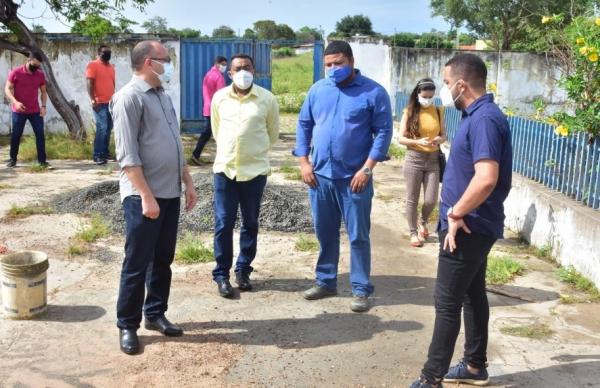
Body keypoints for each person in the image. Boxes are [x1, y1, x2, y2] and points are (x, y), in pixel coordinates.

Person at [410, 53, 512, 388]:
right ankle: (473, 366)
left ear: (461, 84)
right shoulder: (478, 115)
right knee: (471, 295)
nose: (443, 88)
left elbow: (486, 178)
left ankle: (431, 377)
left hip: (467, 226)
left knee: (447, 302)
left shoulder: (483, 119)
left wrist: (455, 212)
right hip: (473, 224)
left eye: (446, 81)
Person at [111, 40, 198, 355]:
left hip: (170, 191)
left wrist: (187, 182)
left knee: (162, 259)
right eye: (166, 58)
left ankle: (155, 313)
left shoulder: (163, 96)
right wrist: (147, 197)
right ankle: (127, 325)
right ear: (149, 62)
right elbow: (128, 158)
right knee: (137, 262)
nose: (170, 63)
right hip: (143, 198)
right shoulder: (128, 99)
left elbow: (175, 144)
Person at [294, 40, 393, 313]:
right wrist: (304, 163)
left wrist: (368, 168)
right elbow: (304, 125)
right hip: (320, 176)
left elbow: (383, 132)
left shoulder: (373, 92)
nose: (333, 69)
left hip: (355, 178)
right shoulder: (318, 90)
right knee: (324, 232)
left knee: (358, 235)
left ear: (351, 61)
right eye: (328, 64)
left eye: (338, 63)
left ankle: (360, 288)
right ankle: (326, 281)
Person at [210, 53, 279, 298]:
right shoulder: (220, 98)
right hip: (225, 171)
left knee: (250, 223)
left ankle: (243, 270)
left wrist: (252, 151)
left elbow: (272, 134)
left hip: (254, 172)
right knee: (223, 223)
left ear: (254, 70)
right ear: (229, 73)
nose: (242, 72)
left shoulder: (267, 99)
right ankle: (222, 274)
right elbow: (217, 131)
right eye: (237, 68)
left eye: (247, 67)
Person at [398, 78, 446, 248]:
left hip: (433, 160)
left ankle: (422, 221)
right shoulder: (409, 111)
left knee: (431, 199)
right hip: (414, 159)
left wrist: (438, 140)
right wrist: (418, 142)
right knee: (412, 199)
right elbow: (401, 138)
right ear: (418, 94)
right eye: (425, 96)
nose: (428, 99)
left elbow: (444, 135)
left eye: (431, 96)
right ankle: (412, 232)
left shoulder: (439, 111)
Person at [5, 52, 48, 168]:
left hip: (35, 111)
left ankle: (42, 161)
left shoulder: (40, 75)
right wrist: (15, 102)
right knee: (16, 135)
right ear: (29, 60)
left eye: (38, 65)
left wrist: (43, 106)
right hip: (19, 111)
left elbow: (43, 92)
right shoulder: (16, 72)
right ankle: (12, 159)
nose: (36, 67)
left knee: (40, 135)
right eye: (35, 64)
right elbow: (7, 89)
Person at [190, 56, 227, 165]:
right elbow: (222, 95)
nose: (225, 67)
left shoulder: (208, 75)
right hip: (216, 109)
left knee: (208, 133)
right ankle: (196, 155)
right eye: (223, 64)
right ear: (217, 64)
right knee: (217, 133)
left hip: (208, 107)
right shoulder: (219, 77)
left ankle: (196, 155)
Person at [87, 44, 116, 165]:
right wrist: (93, 99)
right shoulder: (92, 65)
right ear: (99, 53)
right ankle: (97, 155)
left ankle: (105, 153)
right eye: (105, 52)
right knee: (102, 128)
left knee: (109, 128)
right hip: (99, 103)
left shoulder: (111, 67)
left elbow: (112, 84)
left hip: (110, 103)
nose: (107, 54)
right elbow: (89, 83)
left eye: (109, 52)